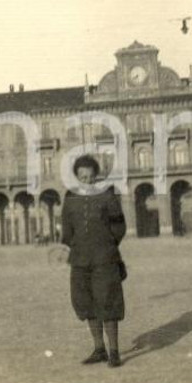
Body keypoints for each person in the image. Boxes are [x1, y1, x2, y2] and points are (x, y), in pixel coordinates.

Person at [61, 155, 128, 368]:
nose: (87, 181)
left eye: (91, 177)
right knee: (86, 302)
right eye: (83, 177)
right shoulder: (70, 197)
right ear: (77, 176)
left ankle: (114, 352)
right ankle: (99, 349)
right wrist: (75, 247)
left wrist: (108, 245)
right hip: (80, 260)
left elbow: (119, 226)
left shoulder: (107, 195)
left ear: (96, 176)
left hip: (105, 259)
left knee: (108, 301)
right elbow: (67, 229)